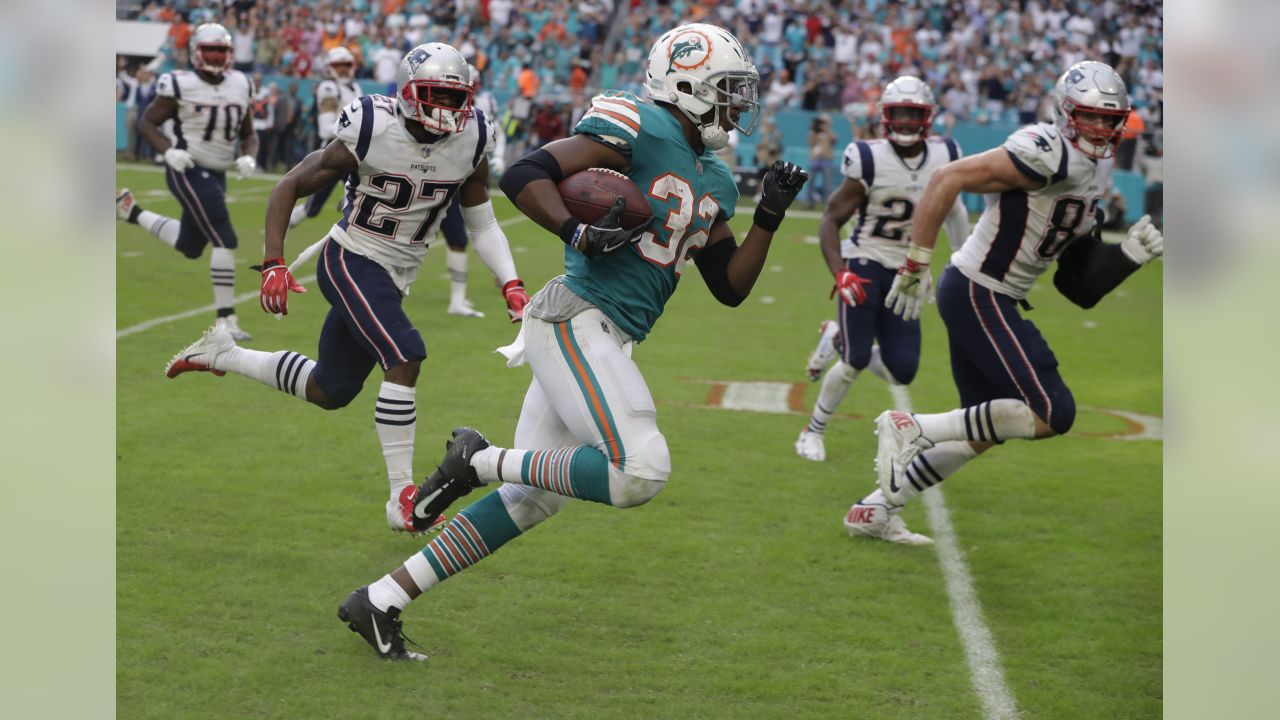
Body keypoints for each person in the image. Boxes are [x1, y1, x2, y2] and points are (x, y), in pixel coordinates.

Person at [336, 23, 807, 661]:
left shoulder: (716, 178)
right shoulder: (635, 122)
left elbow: (728, 285)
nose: (737, 106)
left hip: (608, 333)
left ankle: (381, 600)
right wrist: (575, 232)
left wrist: (770, 219)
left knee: (534, 500)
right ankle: (476, 461)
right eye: (728, 91)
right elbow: (527, 173)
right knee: (641, 470)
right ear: (689, 83)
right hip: (575, 318)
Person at [162, 43, 532, 537]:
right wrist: (273, 261)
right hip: (351, 256)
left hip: (397, 273)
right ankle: (403, 499)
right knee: (406, 355)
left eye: (454, 97)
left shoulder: (474, 137)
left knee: (330, 389)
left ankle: (222, 353)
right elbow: (288, 186)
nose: (446, 109)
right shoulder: (371, 126)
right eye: (435, 95)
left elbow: (481, 222)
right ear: (407, 93)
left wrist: (510, 282)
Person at [867, 61, 1163, 539]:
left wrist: (1127, 257)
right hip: (981, 291)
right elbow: (946, 179)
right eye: (1091, 116)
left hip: (984, 294)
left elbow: (1077, 288)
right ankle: (909, 425)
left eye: (1111, 119)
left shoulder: (1091, 174)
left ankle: (877, 508)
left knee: (984, 431)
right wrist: (915, 262)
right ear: (1066, 113)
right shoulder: (1047, 151)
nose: (1102, 127)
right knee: (1053, 411)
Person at [795, 76, 969, 545]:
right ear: (886, 117)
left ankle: (836, 336)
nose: (909, 122)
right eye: (902, 113)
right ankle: (813, 431)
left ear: (928, 118)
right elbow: (832, 217)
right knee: (853, 362)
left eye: (916, 114)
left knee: (902, 371)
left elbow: (952, 210)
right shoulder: (867, 156)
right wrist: (840, 273)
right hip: (866, 263)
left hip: (910, 273)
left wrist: (963, 261)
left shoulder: (946, 155)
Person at [115, 23, 258, 341]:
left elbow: (249, 133)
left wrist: (249, 155)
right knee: (225, 237)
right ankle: (226, 319)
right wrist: (168, 152)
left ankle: (131, 211)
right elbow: (147, 122)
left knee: (191, 246)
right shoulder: (179, 83)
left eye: (221, 51)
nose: (217, 57)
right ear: (197, 52)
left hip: (217, 171)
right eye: (211, 50)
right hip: (187, 167)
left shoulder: (240, 83)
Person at [440, 64, 510, 319]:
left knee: (470, 231)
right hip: (437, 174)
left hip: (466, 173)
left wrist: (498, 156)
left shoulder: (484, 105)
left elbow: (497, 131)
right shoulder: (442, 102)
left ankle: (462, 298)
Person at [288, 47, 365, 229]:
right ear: (329, 67)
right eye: (338, 65)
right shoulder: (329, 87)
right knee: (312, 209)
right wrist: (356, 128)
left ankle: (351, 199)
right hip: (334, 152)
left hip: (354, 152)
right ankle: (283, 223)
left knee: (367, 194)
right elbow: (326, 130)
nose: (344, 69)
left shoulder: (355, 87)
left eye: (347, 64)